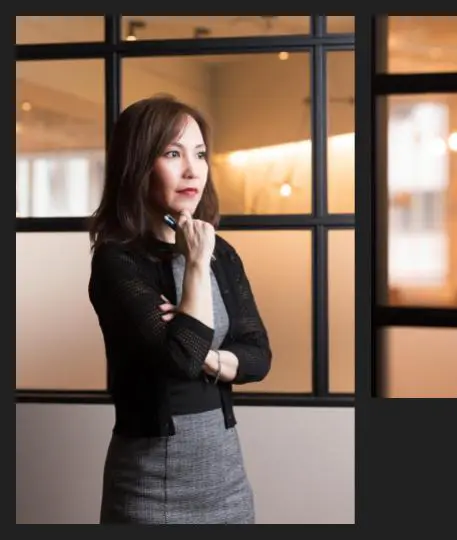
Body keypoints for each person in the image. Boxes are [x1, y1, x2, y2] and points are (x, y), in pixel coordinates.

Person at [87, 95, 272, 523]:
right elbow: (181, 357)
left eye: (200, 154)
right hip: (150, 486)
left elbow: (258, 356)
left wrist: (207, 358)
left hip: (227, 481)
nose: (193, 170)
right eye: (173, 153)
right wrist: (192, 263)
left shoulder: (220, 253)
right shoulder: (118, 261)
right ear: (137, 165)